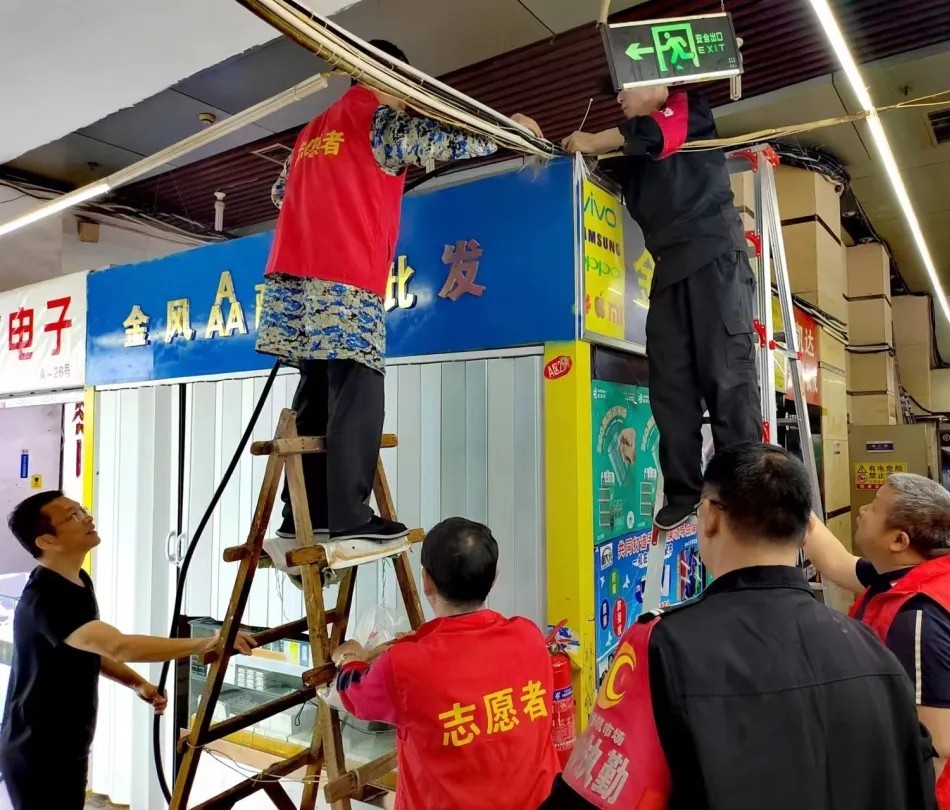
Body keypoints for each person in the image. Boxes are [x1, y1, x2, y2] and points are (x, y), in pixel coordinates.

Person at [256, 39, 543, 554]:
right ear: (391, 78)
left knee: (315, 390)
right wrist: (509, 129)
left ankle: (303, 516)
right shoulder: (376, 120)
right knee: (358, 388)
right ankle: (349, 519)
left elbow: (280, 194)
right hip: (343, 276)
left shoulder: (311, 133)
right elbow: (443, 140)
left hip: (291, 283)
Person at [542, 444, 937, 809]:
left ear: (712, 517)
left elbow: (592, 795)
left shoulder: (662, 646)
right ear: (805, 531)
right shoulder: (874, 651)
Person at [562, 85, 759, 531]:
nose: (619, 97)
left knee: (727, 377)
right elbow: (588, 160)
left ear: (659, 85)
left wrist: (593, 138)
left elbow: (652, 132)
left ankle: (744, 491)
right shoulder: (631, 155)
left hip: (715, 260)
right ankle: (685, 492)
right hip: (668, 270)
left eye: (626, 87)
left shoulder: (690, 111)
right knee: (670, 385)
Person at [0, 491, 255, 810]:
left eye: (82, 509)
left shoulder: (77, 580)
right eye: (73, 516)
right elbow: (118, 645)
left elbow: (88, 650)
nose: (87, 517)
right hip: (37, 748)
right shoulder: (47, 597)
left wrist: (137, 682)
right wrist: (205, 642)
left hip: (67, 741)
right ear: (47, 541)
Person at [332, 517, 559, 809]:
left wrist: (350, 657)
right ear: (494, 576)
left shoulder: (405, 665)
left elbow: (353, 693)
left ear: (426, 581)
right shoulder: (528, 636)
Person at [803, 473, 950, 810]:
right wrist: (788, 495)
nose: (862, 510)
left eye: (874, 508)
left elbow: (933, 748)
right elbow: (838, 563)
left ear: (899, 540)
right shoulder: (924, 575)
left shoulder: (920, 619)